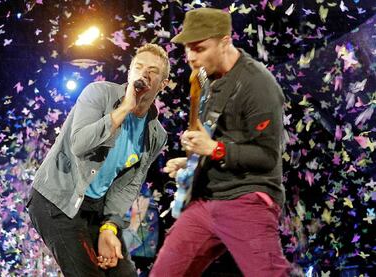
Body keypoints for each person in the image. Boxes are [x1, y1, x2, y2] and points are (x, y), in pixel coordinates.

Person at [150, 8, 291, 277]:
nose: (191, 57)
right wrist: (192, 161)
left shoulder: (258, 84)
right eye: (188, 49)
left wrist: (214, 149)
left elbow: (267, 157)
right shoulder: (209, 79)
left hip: (247, 199)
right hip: (206, 202)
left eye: (199, 48)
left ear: (225, 41)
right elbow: (217, 142)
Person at [27, 43, 169, 277]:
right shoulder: (98, 93)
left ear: (162, 84)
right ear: (129, 73)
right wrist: (124, 108)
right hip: (57, 201)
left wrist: (109, 227)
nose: (144, 73)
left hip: (96, 209)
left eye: (152, 70)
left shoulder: (156, 135)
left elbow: (129, 184)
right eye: (138, 67)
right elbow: (80, 144)